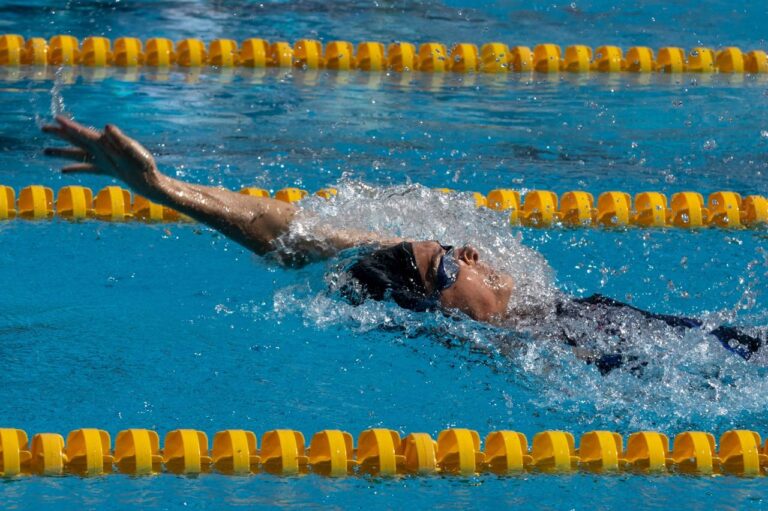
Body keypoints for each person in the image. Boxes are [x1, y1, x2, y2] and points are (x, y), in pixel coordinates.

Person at [42, 116, 764, 373]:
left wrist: (169, 190)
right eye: (449, 262)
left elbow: (292, 233)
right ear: (442, 309)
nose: (472, 253)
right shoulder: (545, 359)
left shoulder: (549, 317)